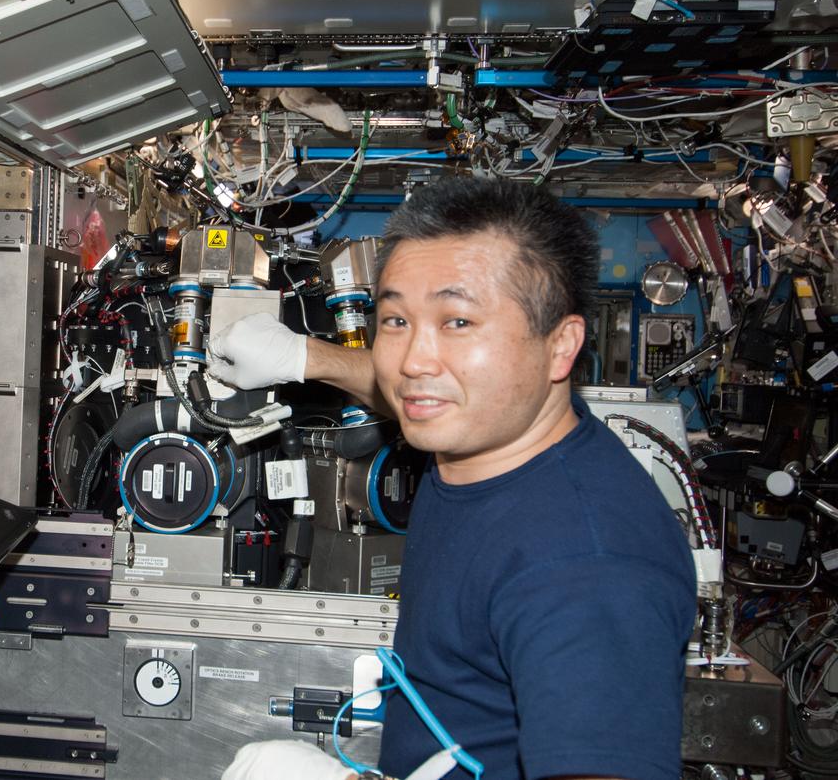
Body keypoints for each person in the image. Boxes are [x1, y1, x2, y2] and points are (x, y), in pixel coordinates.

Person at [208, 177, 697, 780]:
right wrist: (307, 358)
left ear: (561, 346)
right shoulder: (512, 435)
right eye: (395, 320)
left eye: (458, 322)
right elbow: (415, 392)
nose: (415, 359)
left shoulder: (583, 567)